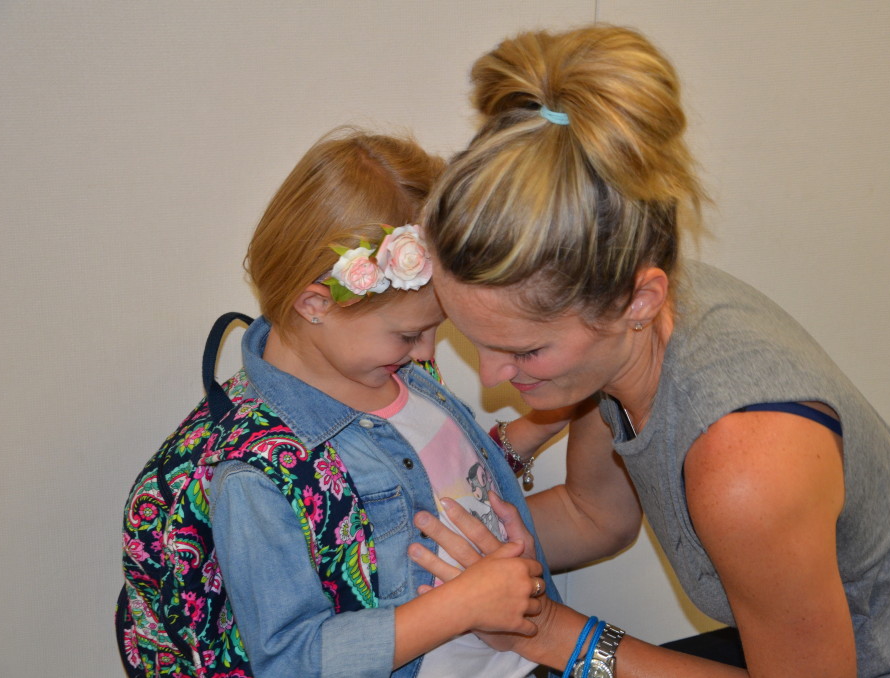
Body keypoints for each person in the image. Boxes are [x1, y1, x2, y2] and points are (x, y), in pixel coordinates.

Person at [409, 24, 890, 677]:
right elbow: (596, 515)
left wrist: (557, 633)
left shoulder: (746, 465)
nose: (496, 379)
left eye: (523, 352)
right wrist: (439, 556)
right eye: (476, 344)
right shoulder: (624, 326)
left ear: (639, 300)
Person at [115, 128, 563, 678]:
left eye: (435, 328)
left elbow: (427, 479)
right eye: (408, 334)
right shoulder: (256, 473)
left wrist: (544, 421)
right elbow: (289, 661)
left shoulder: (401, 372)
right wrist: (463, 606)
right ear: (315, 304)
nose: (428, 350)